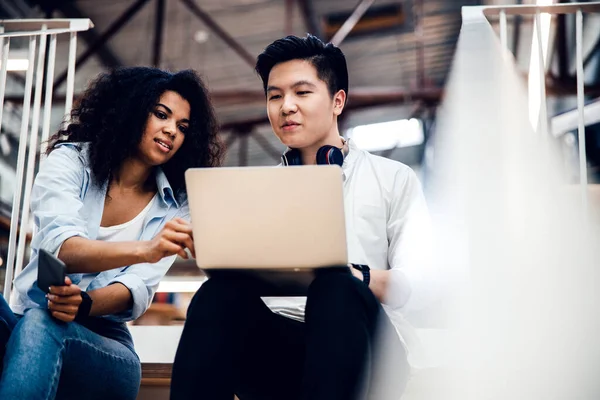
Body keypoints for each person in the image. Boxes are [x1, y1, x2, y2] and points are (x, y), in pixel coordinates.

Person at [171, 35, 433, 400]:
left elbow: (417, 285)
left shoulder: (393, 179)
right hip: (284, 352)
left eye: (302, 93)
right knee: (218, 293)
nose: (285, 107)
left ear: (337, 101)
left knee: (336, 287)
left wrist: (353, 275)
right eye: (275, 96)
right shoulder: (253, 190)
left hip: (370, 352)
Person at [0, 66, 223, 399]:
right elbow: (64, 248)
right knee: (35, 322)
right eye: (161, 114)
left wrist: (84, 304)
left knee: (42, 325)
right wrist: (146, 248)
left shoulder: (177, 204)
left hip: (106, 345)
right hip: (24, 319)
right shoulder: (70, 163)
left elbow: (135, 288)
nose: (171, 131)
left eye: (182, 126)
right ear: (130, 110)